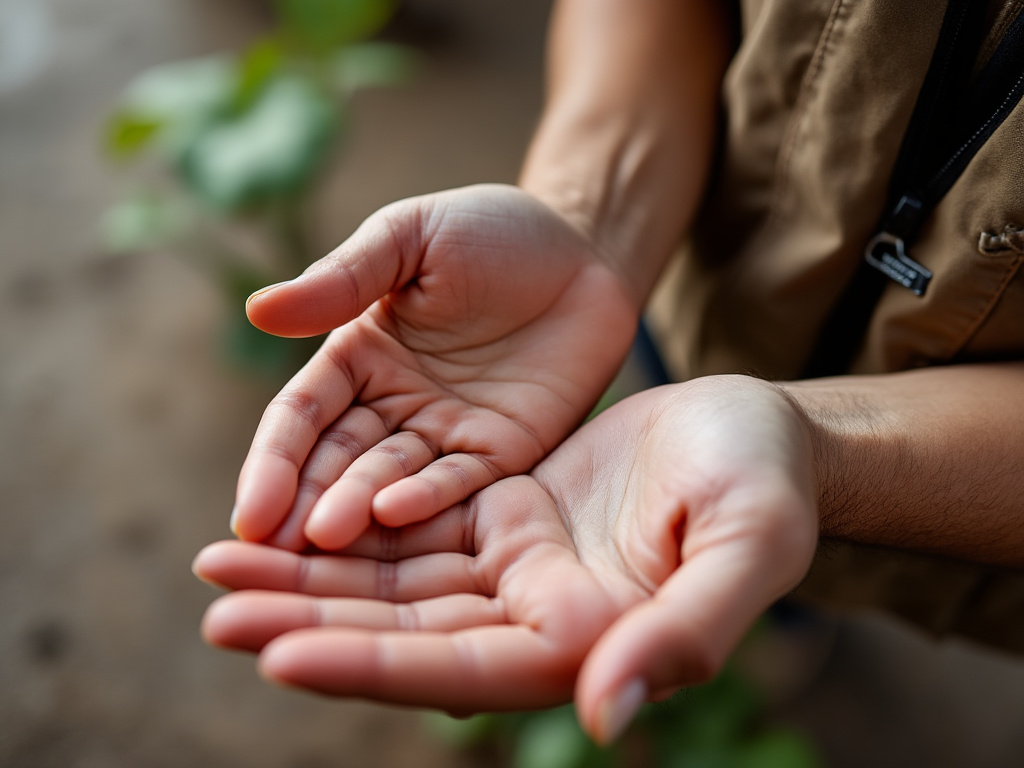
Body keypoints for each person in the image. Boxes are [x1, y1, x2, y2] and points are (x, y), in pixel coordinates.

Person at [192, 0, 1024, 744]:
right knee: (709, 497)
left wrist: (817, 449)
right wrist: (588, 220)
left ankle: (782, 598)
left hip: (966, 489)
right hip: (673, 276)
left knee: (737, 508)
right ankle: (778, 603)